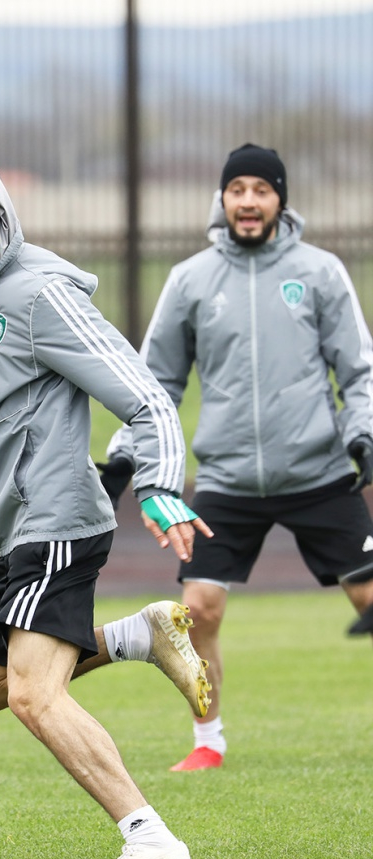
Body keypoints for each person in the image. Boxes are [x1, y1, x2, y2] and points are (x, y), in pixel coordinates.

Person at [0, 156, 212, 859]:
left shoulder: (41, 298)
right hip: (17, 529)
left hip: (56, 522)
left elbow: (147, 400)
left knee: (34, 694)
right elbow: (5, 409)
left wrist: (160, 485)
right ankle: (138, 636)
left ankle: (152, 839)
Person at [99, 143, 373, 772]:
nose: (248, 201)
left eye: (261, 190)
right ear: (222, 199)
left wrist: (364, 436)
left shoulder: (321, 271)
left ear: (280, 199)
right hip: (226, 479)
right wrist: (123, 459)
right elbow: (153, 385)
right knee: (198, 611)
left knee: (369, 598)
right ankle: (209, 742)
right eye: (237, 190)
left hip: (319, 472)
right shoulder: (191, 280)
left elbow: (358, 370)